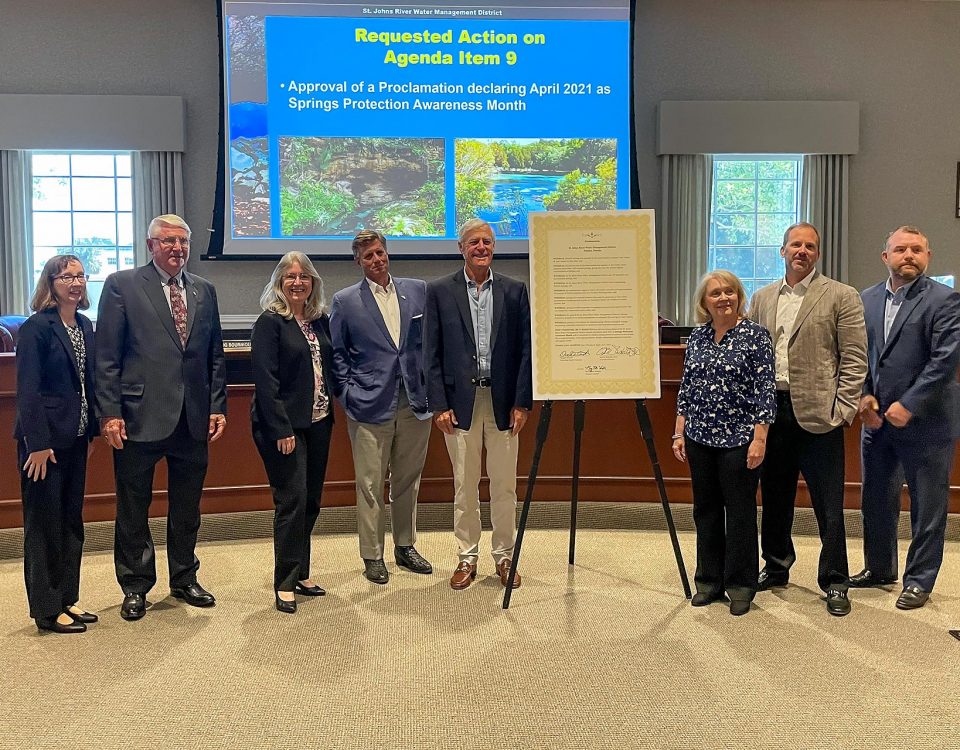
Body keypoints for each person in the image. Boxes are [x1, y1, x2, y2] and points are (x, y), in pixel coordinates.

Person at [96, 214, 227, 621]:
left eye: (183, 242)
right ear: (151, 245)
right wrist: (110, 413)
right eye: (168, 241)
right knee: (133, 506)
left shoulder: (204, 290)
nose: (177, 249)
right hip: (138, 417)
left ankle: (184, 578)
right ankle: (135, 585)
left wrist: (217, 406)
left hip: (192, 418)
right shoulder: (122, 285)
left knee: (187, 507)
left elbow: (214, 356)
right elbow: (106, 358)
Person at [749, 222, 867, 616]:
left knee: (829, 503)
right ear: (782, 251)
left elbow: (854, 358)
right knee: (776, 497)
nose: (802, 251)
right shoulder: (762, 297)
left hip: (821, 417)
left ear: (818, 254)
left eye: (810, 246)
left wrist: (844, 409)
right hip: (773, 412)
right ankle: (777, 566)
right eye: (795, 244)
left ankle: (835, 580)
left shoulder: (841, 296)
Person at [849, 226, 960, 610]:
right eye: (900, 249)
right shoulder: (865, 299)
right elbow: (860, 355)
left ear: (928, 257)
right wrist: (862, 395)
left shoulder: (946, 300)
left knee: (927, 505)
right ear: (886, 257)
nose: (908, 255)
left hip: (928, 423)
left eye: (916, 249)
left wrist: (909, 403)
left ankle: (919, 579)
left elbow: (944, 361)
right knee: (876, 499)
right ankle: (879, 568)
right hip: (878, 423)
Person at [423, 218, 532, 590]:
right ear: (461, 248)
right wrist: (438, 404)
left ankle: (504, 557)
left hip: (502, 404)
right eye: (474, 242)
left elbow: (525, 352)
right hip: (459, 405)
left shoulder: (515, 291)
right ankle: (466, 557)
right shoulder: (439, 291)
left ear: (494, 247)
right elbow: (431, 353)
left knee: (504, 485)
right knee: (464, 485)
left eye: (487, 241)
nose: (481, 247)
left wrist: (522, 402)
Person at [329, 230, 433, 585]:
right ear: (357, 261)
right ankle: (372, 555)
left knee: (408, 479)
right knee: (370, 484)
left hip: (415, 402)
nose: (377, 260)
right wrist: (348, 396)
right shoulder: (345, 301)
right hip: (369, 405)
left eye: (380, 252)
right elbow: (337, 356)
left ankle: (405, 546)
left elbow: (430, 343)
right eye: (368, 256)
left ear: (387, 253)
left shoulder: (417, 289)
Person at [673, 271, 775, 616]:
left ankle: (742, 584)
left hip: (739, 439)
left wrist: (759, 439)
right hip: (699, 437)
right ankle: (709, 582)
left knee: (741, 512)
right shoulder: (699, 337)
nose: (723, 298)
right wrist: (678, 431)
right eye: (715, 293)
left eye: (729, 291)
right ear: (705, 302)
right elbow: (687, 388)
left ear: (739, 296)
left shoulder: (756, 336)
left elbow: (765, 392)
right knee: (706, 511)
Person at [15, 255, 99, 633]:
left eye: (80, 275)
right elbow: (28, 389)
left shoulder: (84, 324)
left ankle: (67, 598)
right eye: (67, 276)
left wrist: (91, 431)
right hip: (43, 444)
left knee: (70, 521)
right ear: (50, 283)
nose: (76, 282)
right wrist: (36, 442)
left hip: (76, 438)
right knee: (44, 524)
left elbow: (87, 383)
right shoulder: (37, 328)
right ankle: (47, 610)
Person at [251, 252, 334, 613]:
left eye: (304, 277)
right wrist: (280, 427)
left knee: (312, 500)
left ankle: (301, 571)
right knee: (292, 499)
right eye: (290, 277)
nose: (298, 282)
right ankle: (284, 580)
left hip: (319, 422)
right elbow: (266, 382)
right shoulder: (270, 323)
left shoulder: (320, 321)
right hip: (284, 427)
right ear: (279, 283)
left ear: (313, 282)